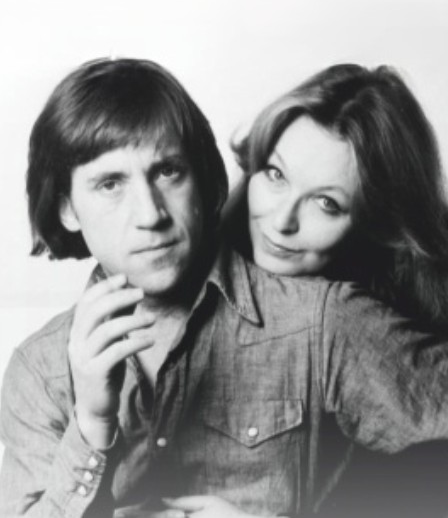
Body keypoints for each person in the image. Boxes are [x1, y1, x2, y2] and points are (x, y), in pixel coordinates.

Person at [2, 58, 448, 518]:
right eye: (110, 184)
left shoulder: (323, 323)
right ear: (67, 209)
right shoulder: (38, 373)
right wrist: (92, 426)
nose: (150, 214)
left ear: (201, 177)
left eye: (168, 171)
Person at [224, 63, 448, 332]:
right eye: (276, 174)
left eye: (326, 203)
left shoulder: (376, 333)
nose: (282, 222)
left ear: (378, 225)